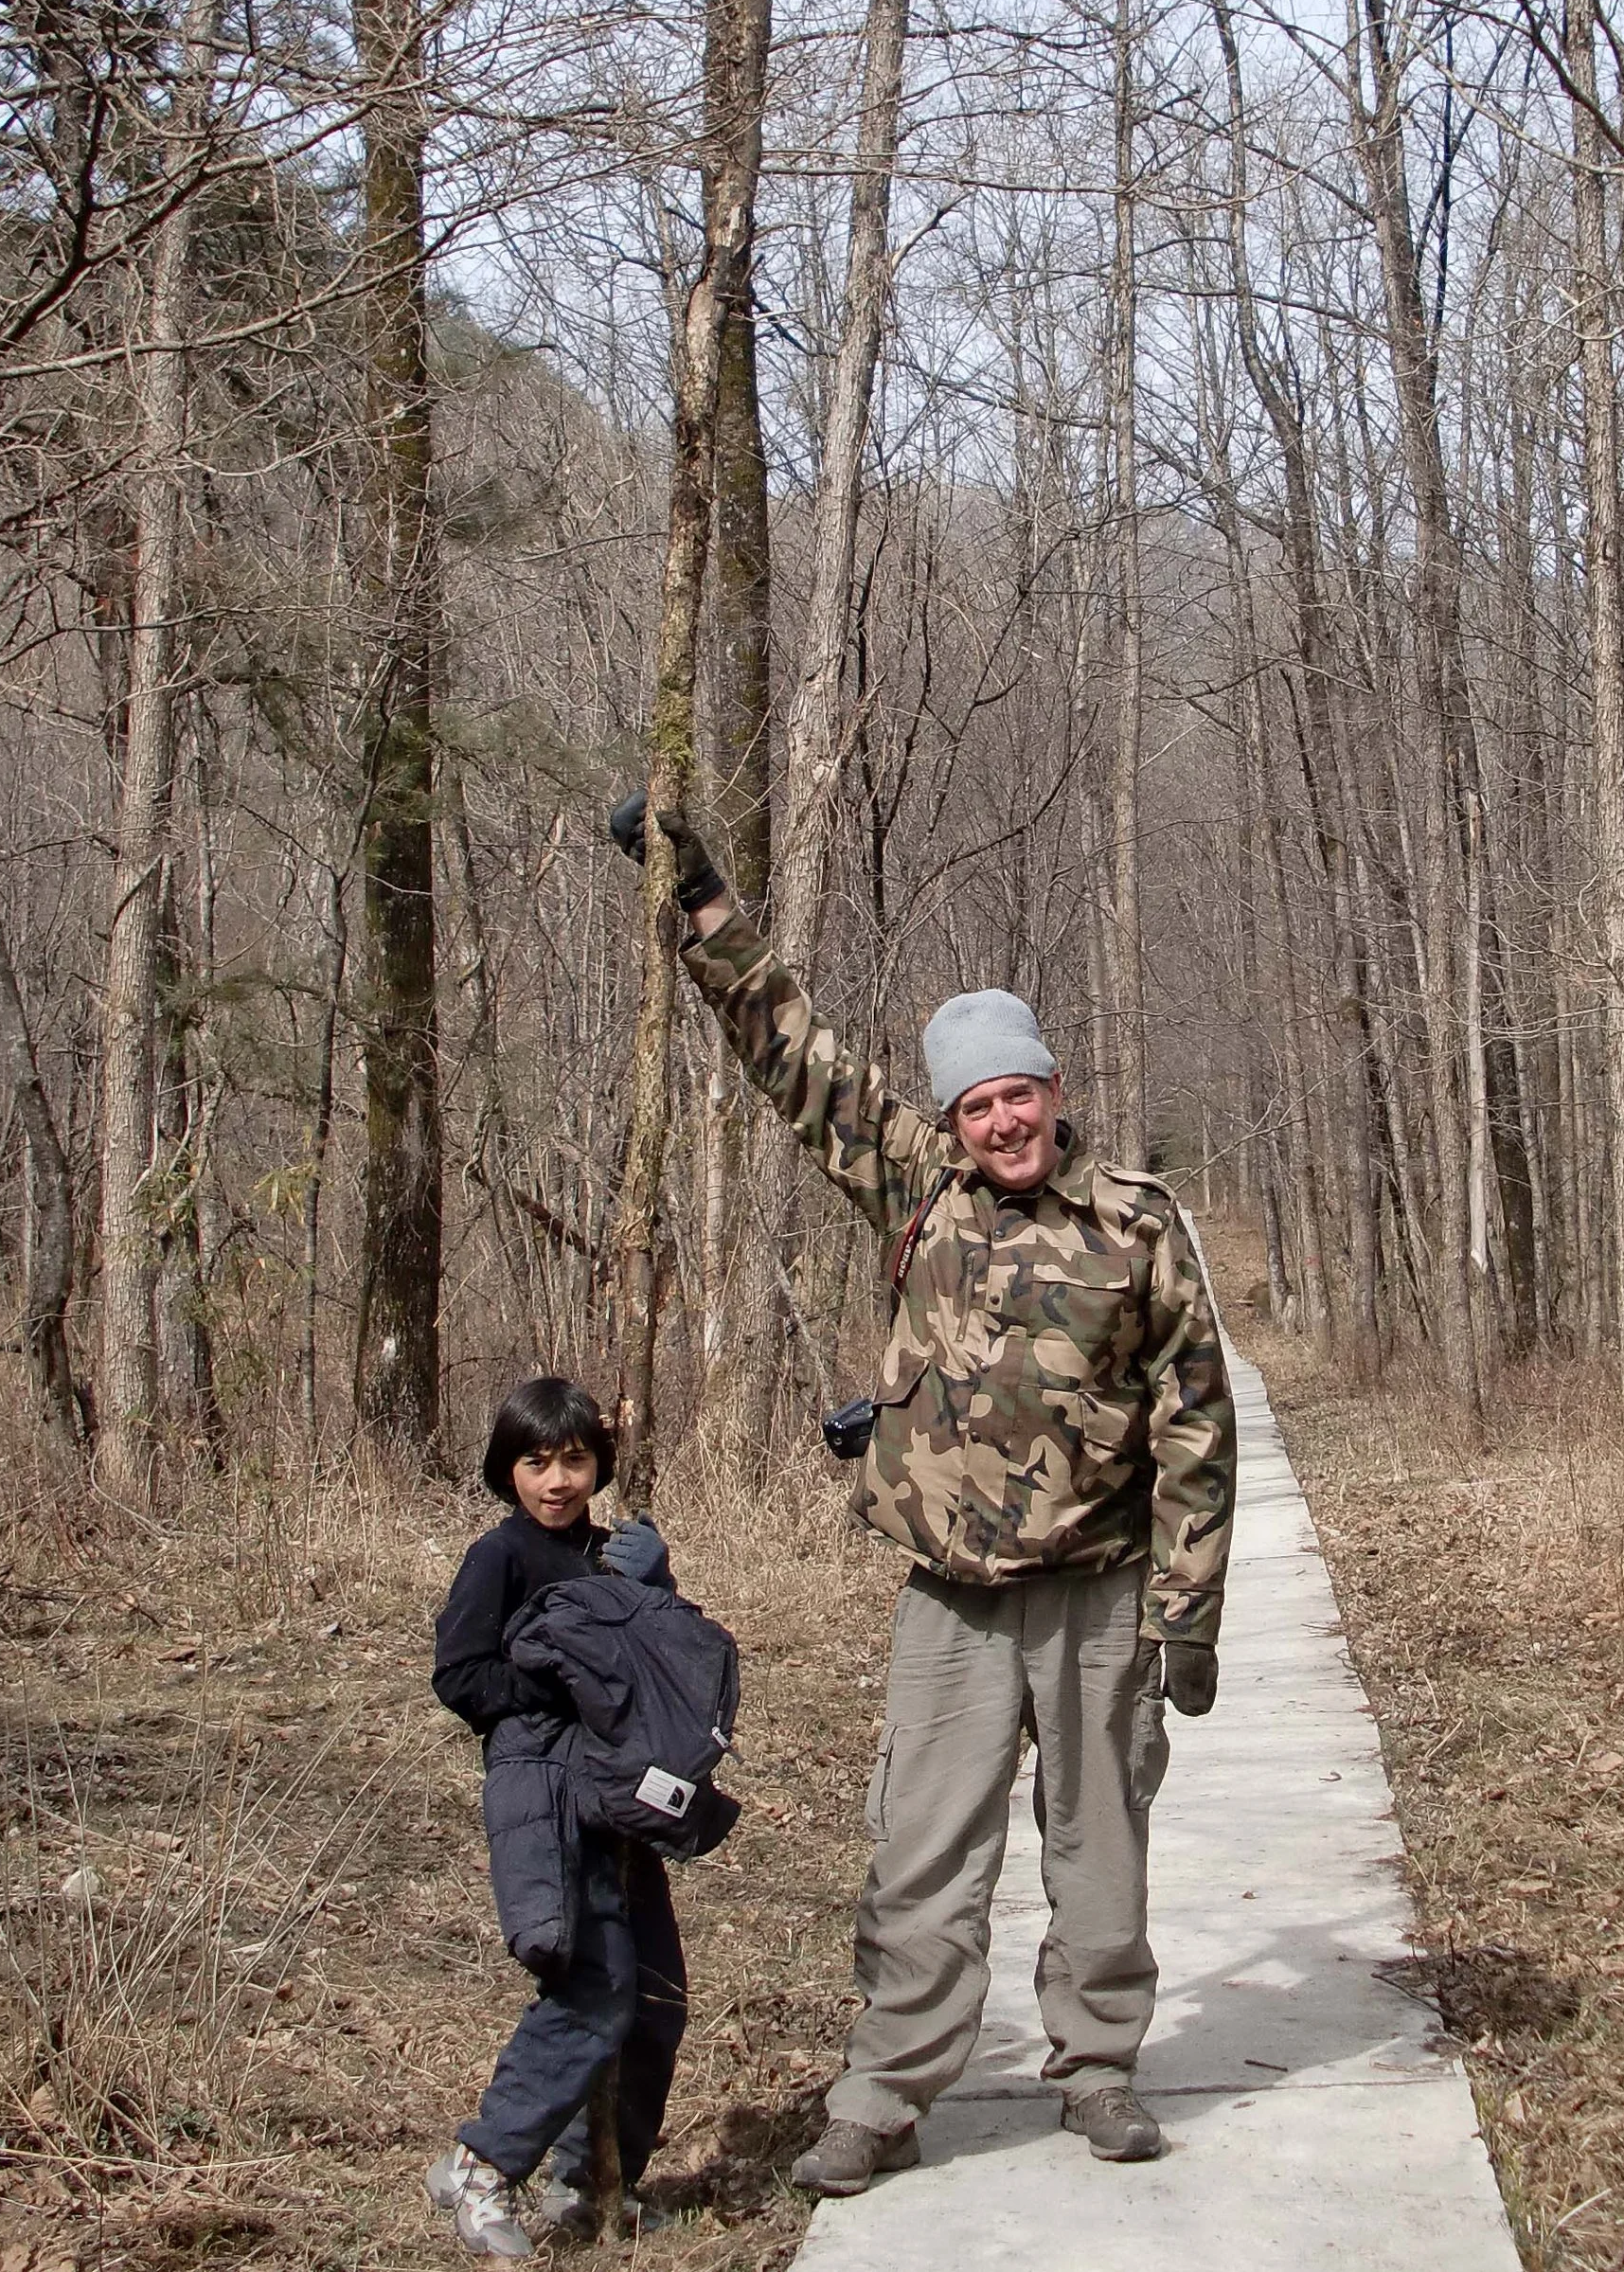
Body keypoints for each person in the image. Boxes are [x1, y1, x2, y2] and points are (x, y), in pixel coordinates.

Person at [610, 794, 1236, 2197]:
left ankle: (1099, 2068)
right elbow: (788, 1044)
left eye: (1020, 1091)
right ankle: (885, 2092)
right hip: (951, 1604)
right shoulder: (912, 1183)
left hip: (1102, 1591)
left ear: (1055, 1089)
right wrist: (703, 893)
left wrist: (1187, 1612)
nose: (1002, 1117)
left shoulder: (1137, 1221)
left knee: (1102, 1845)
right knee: (920, 1854)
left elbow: (1199, 1420)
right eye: (976, 1100)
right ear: (951, 1114)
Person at [427, 1378, 688, 2257]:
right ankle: (481, 2163)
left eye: (575, 1459)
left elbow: (665, 1669)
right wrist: (559, 1681)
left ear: (598, 1465)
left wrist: (661, 1591)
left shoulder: (616, 1554)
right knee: (591, 1987)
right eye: (536, 1460)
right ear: (508, 1468)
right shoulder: (496, 1558)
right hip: (540, 1793)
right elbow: (461, 1675)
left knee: (653, 2000)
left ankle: (589, 2184)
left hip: (620, 1798)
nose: (557, 1479)